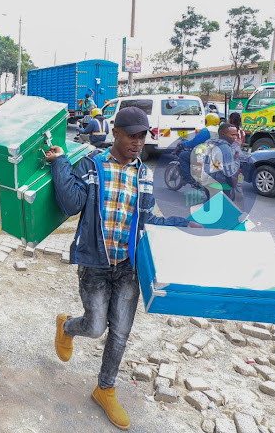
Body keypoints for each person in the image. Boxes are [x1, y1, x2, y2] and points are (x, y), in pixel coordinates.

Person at [46, 107, 200, 431]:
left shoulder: (143, 173)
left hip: (128, 267)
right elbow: (71, 204)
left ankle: (105, 389)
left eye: (142, 136)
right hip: (96, 264)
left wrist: (181, 223)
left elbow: (148, 219)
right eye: (132, 135)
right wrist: (59, 163)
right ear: (115, 133)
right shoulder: (92, 165)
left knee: (120, 332)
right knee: (95, 326)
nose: (138, 142)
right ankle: (67, 327)